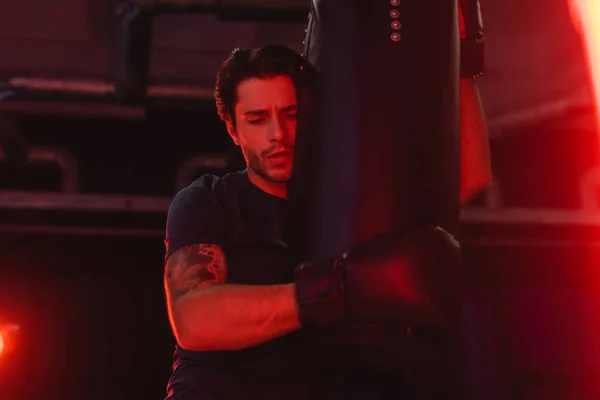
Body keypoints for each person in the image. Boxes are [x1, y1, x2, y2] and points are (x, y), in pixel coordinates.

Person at [163, 39, 490, 400]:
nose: (278, 135)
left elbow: (469, 177)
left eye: (292, 114)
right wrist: (337, 289)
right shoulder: (208, 201)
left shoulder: (349, 201)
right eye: (257, 120)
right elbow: (193, 321)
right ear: (233, 129)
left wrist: (463, 56)